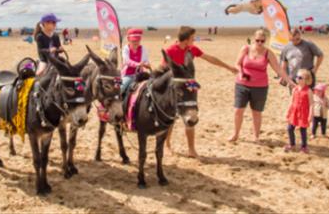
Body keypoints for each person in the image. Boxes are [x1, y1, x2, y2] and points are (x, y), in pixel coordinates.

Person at [163, 26, 237, 158]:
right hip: (175, 88)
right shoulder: (170, 50)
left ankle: (191, 149)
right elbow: (163, 68)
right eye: (192, 38)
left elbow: (210, 58)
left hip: (189, 89)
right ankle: (167, 145)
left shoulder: (192, 49)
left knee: (190, 116)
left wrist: (228, 67)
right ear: (186, 40)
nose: (194, 40)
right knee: (171, 118)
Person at [230, 29, 295, 143]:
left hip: (260, 86)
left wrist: (290, 82)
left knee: (256, 112)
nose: (260, 43)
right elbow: (237, 63)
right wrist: (241, 73)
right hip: (242, 84)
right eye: (257, 40)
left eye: (262, 41)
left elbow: (278, 69)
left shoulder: (268, 53)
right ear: (253, 39)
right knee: (238, 110)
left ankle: (256, 137)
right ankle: (235, 134)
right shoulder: (245, 49)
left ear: (265, 40)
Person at [285, 69, 314, 153]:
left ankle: (304, 146)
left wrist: (311, 114)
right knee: (290, 128)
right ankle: (292, 144)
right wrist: (288, 111)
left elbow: (311, 104)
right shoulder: (295, 89)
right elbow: (291, 101)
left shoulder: (308, 91)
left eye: (300, 77)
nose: (297, 79)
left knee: (303, 130)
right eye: (297, 77)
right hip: (294, 111)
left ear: (306, 80)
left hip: (303, 113)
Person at [121, 29, 151, 97]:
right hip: (128, 75)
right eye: (133, 41)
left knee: (151, 85)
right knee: (121, 87)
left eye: (138, 40)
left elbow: (146, 60)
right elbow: (127, 61)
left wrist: (147, 64)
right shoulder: (126, 49)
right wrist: (138, 64)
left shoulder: (143, 49)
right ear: (129, 39)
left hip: (140, 74)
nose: (136, 42)